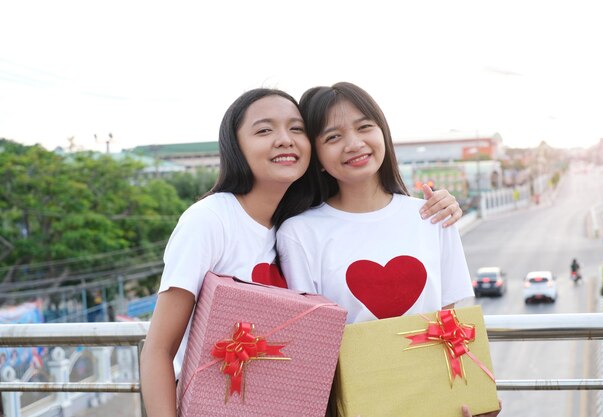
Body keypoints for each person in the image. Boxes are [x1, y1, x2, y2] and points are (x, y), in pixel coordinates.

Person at [140, 87, 463, 417]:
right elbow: (159, 349)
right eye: (265, 130)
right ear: (236, 146)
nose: (284, 139)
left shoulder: (286, 226)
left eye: (296, 129)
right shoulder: (211, 219)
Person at [277, 82, 500, 417]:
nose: (354, 143)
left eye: (364, 127)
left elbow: (450, 323)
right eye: (333, 137)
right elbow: (313, 346)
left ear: (383, 133)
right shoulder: (299, 233)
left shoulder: (431, 215)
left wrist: (473, 398)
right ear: (317, 156)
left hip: (436, 403)